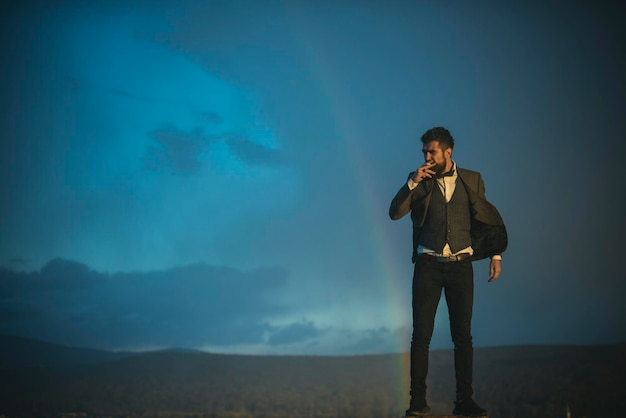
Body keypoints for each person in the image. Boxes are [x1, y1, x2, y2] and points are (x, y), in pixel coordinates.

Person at [389, 127, 507, 417]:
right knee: (421, 336)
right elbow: (394, 212)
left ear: (447, 152)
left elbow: (486, 218)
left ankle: (463, 401)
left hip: (460, 267)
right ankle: (417, 402)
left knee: (463, 336)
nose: (427, 157)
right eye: (424, 152)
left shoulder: (472, 179)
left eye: (432, 152)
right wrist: (413, 183)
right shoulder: (418, 180)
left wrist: (496, 253)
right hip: (428, 266)